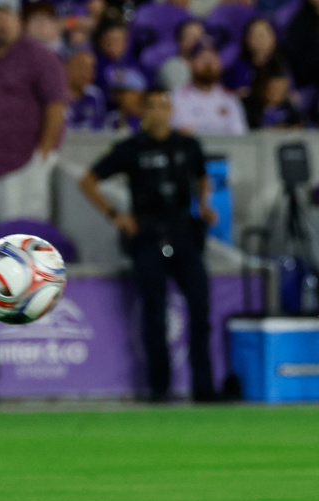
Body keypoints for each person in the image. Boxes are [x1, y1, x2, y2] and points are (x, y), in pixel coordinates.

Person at [80, 88, 220, 403]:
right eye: (153, 106)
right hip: (147, 234)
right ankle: (160, 388)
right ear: (144, 111)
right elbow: (88, 181)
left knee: (200, 310)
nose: (159, 112)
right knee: (154, 313)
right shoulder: (131, 148)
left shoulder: (188, 145)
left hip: (184, 232)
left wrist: (204, 204)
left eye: (164, 105)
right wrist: (115, 216)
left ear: (172, 110)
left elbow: (202, 175)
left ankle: (204, 387)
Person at [0, 4, 67, 224]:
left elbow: (56, 105)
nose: (0, 25)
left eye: (6, 18)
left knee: (18, 235)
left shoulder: (39, 56)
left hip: (22, 164)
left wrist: (43, 152)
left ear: (19, 22)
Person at [171, 42, 248, 136]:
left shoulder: (230, 99)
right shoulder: (176, 97)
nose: (208, 64)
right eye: (203, 58)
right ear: (191, 62)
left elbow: (239, 135)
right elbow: (179, 131)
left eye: (213, 59)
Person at [222, 17, 286, 100]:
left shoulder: (282, 64)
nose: (260, 39)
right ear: (247, 39)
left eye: (263, 34)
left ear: (273, 37)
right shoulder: (240, 67)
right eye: (255, 35)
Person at [65, 50, 107, 131]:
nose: (87, 74)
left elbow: (99, 128)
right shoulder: (56, 96)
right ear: (66, 68)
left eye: (91, 68)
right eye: (81, 67)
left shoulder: (95, 95)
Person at [102, 67, 146, 133]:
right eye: (116, 93)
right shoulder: (111, 120)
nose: (118, 97)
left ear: (138, 94)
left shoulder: (150, 119)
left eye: (123, 92)